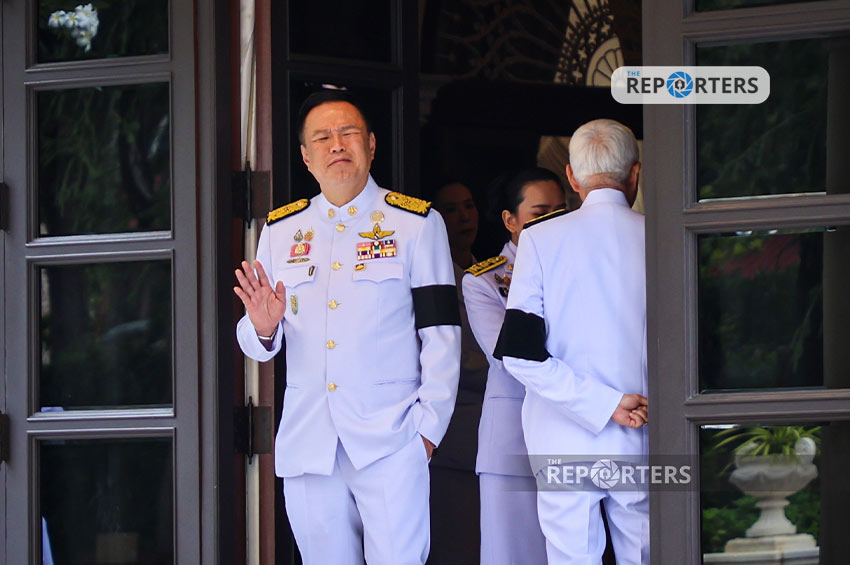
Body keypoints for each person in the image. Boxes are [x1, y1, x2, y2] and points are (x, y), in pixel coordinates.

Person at [234, 89, 461, 565]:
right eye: (322, 137)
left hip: (392, 438)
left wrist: (427, 432)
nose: (336, 144)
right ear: (306, 156)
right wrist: (263, 328)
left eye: (348, 132)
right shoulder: (281, 231)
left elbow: (441, 334)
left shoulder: (416, 223)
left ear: (371, 145)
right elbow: (256, 341)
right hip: (309, 440)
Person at [494, 119, 649, 564]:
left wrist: (602, 403)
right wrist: (614, 404)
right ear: (634, 174)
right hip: (644, 429)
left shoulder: (540, 239)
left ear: (572, 178)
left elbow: (520, 355)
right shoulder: (659, 237)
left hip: (563, 434)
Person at [463, 167, 566, 564]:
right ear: (510, 220)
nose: (552, 222)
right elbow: (507, 355)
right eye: (540, 213)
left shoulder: (576, 267)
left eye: (560, 211)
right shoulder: (485, 280)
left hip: (574, 432)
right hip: (513, 438)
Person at [428, 182, 489, 564]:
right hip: (452, 433)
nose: (464, 217)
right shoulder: (434, 279)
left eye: (469, 206)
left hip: (493, 429)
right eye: (451, 210)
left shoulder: (489, 272)